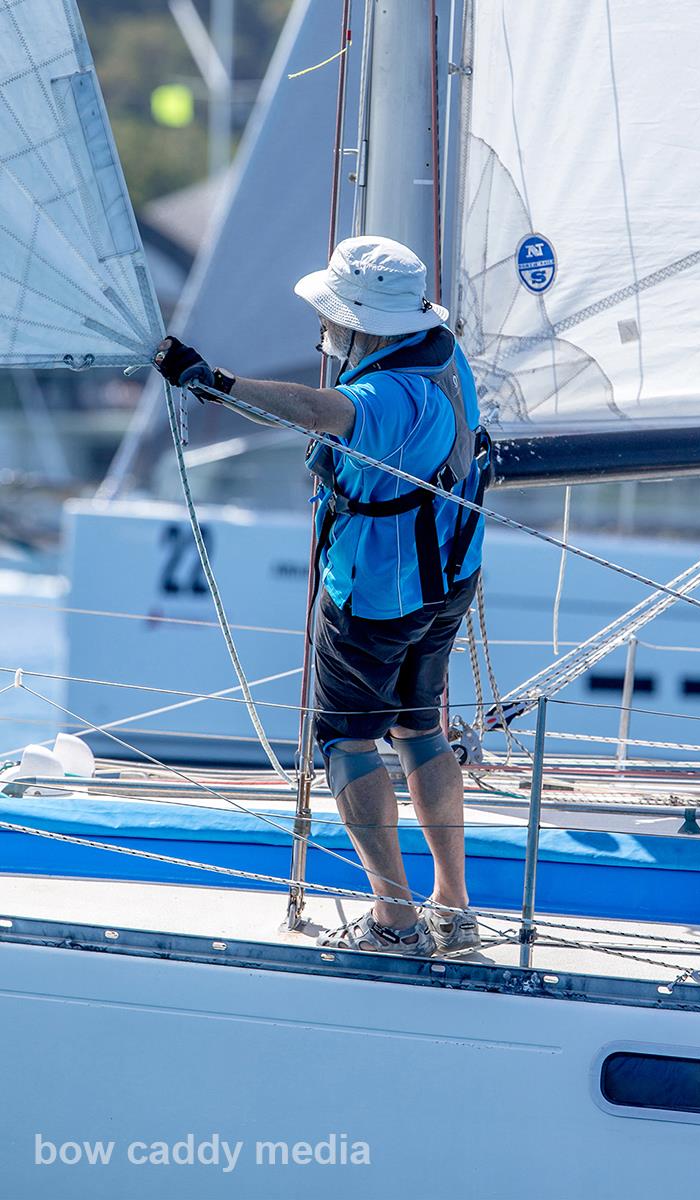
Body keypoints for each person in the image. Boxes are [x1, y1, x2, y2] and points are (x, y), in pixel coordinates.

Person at [153, 235, 490, 956]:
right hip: (448, 580)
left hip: (378, 593)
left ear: (358, 319)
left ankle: (395, 921)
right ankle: (453, 908)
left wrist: (210, 381)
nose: (323, 329)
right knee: (419, 726)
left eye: (331, 315)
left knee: (347, 739)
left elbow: (313, 408)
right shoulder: (442, 352)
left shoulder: (385, 394)